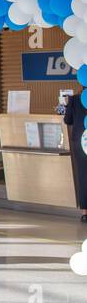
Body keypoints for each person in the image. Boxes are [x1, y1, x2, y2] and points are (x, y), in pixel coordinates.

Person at [63, 89, 87, 221]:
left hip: (80, 142)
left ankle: (85, 213)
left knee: (83, 177)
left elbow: (68, 120)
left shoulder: (75, 99)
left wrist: (67, 105)